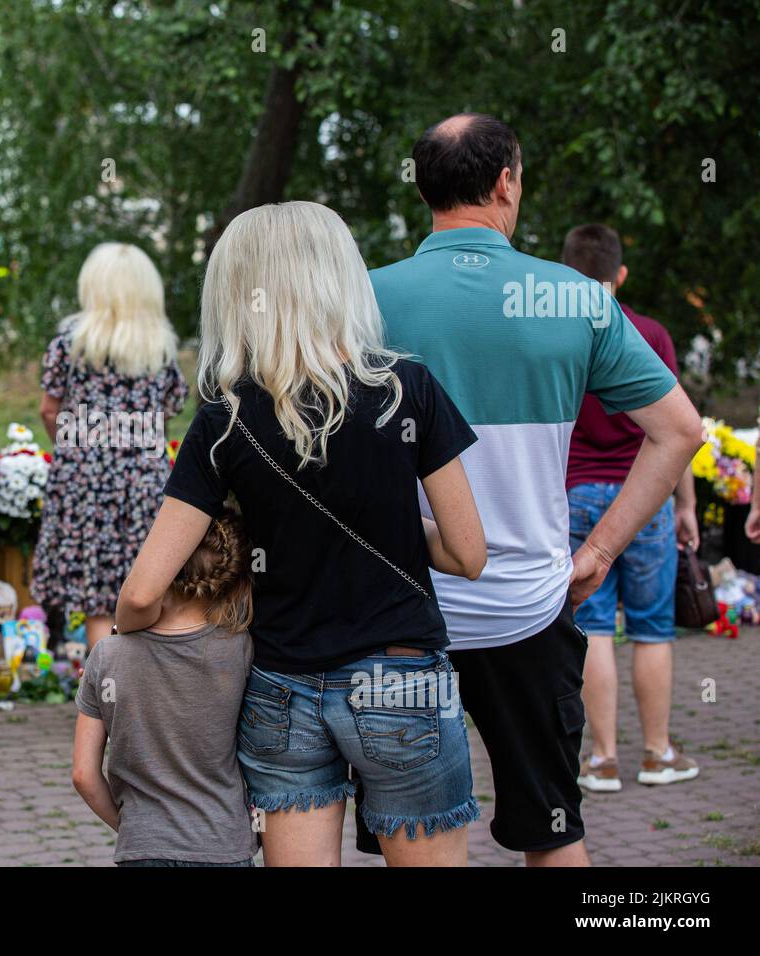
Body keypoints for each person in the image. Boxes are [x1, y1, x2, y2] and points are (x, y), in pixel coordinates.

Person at [369, 114, 703, 865]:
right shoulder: (575, 299)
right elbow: (680, 431)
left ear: (423, 188)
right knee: (554, 832)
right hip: (530, 606)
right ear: (507, 182)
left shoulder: (362, 299)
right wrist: (602, 550)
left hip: (401, 612)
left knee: (416, 840)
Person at [117, 201, 487, 866]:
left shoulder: (224, 419)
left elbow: (143, 592)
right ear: (340, 276)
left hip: (282, 689)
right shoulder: (408, 389)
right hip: (399, 680)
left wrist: (128, 639)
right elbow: (468, 554)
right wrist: (398, 526)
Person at [562, 224, 700, 791]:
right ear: (621, 275)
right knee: (651, 629)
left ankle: (602, 759)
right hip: (644, 498)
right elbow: (676, 428)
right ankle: (657, 752)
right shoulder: (650, 333)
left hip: (575, 496)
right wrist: (685, 505)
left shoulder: (556, 335)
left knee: (592, 627)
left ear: (566, 273)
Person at [73, 510, 258, 867]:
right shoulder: (241, 649)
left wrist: (130, 829)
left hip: (142, 847)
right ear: (232, 577)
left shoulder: (106, 654)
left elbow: (83, 774)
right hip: (221, 842)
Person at [31, 243, 188, 650]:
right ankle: (144, 689)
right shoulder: (160, 346)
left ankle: (103, 698)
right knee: (146, 585)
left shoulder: (70, 342)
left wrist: (76, 447)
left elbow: (50, 410)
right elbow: (170, 408)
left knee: (96, 596)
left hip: (84, 480)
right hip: (144, 483)